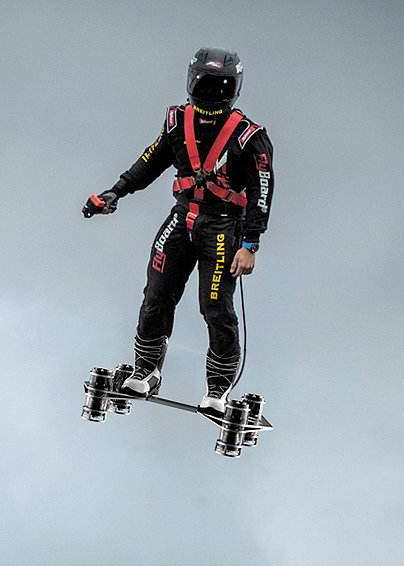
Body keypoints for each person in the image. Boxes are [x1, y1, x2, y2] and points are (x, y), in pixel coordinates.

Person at [83, 47, 275, 414]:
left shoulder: (250, 137)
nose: (211, 92)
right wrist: (115, 192)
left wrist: (250, 243)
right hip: (181, 219)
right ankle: (146, 370)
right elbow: (150, 161)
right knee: (155, 294)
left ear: (233, 88)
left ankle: (218, 388)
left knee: (215, 308)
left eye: (219, 86)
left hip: (223, 230)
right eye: (205, 83)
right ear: (191, 82)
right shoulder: (176, 123)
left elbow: (262, 191)